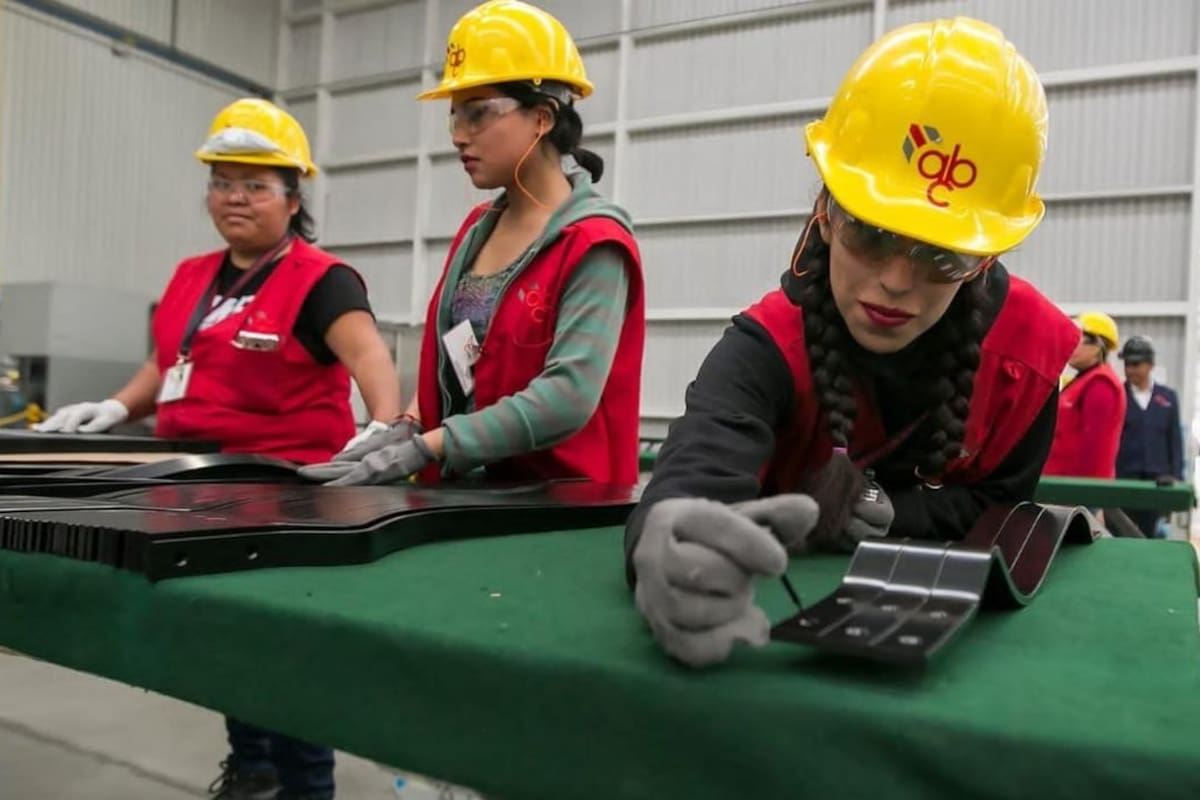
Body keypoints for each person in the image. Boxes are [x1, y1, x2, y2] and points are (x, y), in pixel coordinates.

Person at [623, 18, 1080, 668]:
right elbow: (692, 478)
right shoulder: (765, 346)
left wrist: (894, 511)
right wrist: (663, 538)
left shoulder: (1028, 358)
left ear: (982, 260)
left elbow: (1001, 505)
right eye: (870, 232)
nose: (896, 282)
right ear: (826, 214)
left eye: (941, 255)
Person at [37, 97, 404, 799]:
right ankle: (254, 769)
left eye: (256, 185)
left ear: (293, 199)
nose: (235, 198)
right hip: (197, 495)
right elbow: (165, 365)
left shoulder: (320, 280)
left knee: (288, 651)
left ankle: (305, 788)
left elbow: (371, 363)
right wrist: (114, 405)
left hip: (290, 501)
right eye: (223, 182)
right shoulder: (191, 275)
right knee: (232, 643)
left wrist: (383, 427)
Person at [302, 0, 644, 488]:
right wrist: (408, 426)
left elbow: (567, 398)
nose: (459, 137)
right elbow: (456, 359)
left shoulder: (595, 245)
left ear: (543, 117)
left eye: (478, 115)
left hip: (556, 511)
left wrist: (428, 448)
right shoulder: (476, 230)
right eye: (455, 117)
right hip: (466, 500)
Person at [1043, 312, 1127, 479]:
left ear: (1098, 346)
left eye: (1079, 340)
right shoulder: (1081, 382)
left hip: (1077, 492)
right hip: (1062, 484)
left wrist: (1083, 491)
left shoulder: (1101, 385)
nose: (1072, 345)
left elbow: (1094, 447)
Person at [1115, 335, 1184, 537]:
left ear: (1150, 364)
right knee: (1121, 535)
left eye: (1136, 364)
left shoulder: (1167, 398)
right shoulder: (1118, 395)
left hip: (1158, 482)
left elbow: (1175, 441)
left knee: (1151, 537)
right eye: (1127, 364)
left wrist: (1176, 477)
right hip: (1124, 480)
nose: (1130, 370)